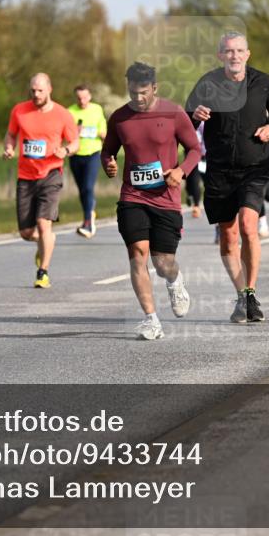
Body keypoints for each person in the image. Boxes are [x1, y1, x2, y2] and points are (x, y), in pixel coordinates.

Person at [186, 31, 269, 324]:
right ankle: (241, 295)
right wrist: (195, 114)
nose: (235, 56)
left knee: (248, 226)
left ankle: (251, 292)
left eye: (240, 51)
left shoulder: (263, 82)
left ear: (248, 54)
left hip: (255, 166)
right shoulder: (208, 83)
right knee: (228, 236)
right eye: (229, 51)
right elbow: (186, 117)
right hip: (219, 169)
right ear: (221, 55)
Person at [101, 62, 200, 340]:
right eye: (133, 92)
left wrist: (181, 171)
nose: (138, 98)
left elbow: (195, 148)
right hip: (133, 196)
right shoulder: (119, 118)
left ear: (154, 88)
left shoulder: (173, 113)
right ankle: (151, 319)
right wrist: (108, 163)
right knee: (138, 253)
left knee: (163, 262)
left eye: (143, 92)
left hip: (166, 199)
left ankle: (175, 281)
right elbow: (107, 150)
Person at [3, 73, 79, 288]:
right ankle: (46, 243)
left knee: (44, 224)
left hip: (51, 173)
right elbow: (11, 134)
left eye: (40, 91)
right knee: (27, 233)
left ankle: (43, 272)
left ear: (49, 90)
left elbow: (75, 142)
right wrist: (9, 147)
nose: (36, 94)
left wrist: (66, 150)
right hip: (25, 176)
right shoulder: (20, 110)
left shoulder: (62, 114)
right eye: (33, 90)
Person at [67, 84, 106, 238]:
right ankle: (89, 214)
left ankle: (88, 223)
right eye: (79, 98)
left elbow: (104, 132)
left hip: (93, 153)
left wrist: (93, 131)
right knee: (83, 189)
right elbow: (65, 134)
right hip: (75, 154)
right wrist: (74, 133)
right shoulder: (70, 112)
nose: (82, 101)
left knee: (88, 187)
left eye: (84, 97)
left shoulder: (97, 109)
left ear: (89, 96)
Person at [184, 121, 207, 218]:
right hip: (190, 156)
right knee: (190, 182)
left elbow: (206, 140)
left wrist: (203, 153)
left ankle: (197, 205)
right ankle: (191, 197)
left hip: (202, 157)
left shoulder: (202, 125)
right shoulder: (186, 124)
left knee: (199, 180)